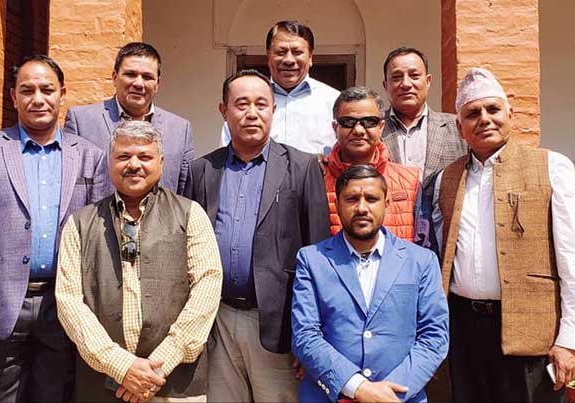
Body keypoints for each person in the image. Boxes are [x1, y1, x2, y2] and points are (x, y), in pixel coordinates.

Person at [431, 67, 575, 402]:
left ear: (510, 114)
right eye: (472, 114)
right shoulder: (446, 178)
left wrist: (571, 339)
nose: (484, 119)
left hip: (531, 329)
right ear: (460, 128)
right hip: (463, 331)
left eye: (493, 109)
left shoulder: (552, 167)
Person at [0, 55, 110, 402]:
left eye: (47, 90)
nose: (37, 99)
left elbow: (99, 238)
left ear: (62, 94)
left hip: (63, 303)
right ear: (13, 97)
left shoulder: (91, 156)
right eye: (27, 90)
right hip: (1, 301)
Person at [186, 69, 330, 402]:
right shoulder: (202, 170)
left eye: (261, 104)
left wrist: (311, 335)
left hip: (277, 323)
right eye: (241, 104)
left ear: (273, 110)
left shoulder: (302, 166)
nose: (252, 113)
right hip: (217, 321)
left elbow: (319, 253)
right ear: (223, 110)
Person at [55, 120, 222, 402]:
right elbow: (68, 301)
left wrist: (156, 368)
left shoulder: (190, 214)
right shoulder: (80, 224)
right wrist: (121, 367)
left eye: (144, 156)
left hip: (175, 383)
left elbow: (207, 287)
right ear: (110, 162)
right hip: (103, 382)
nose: (134, 164)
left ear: (161, 163)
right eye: (123, 156)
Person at [292, 165, 449, 403]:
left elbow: (435, 335)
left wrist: (389, 395)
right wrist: (357, 387)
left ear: (387, 204)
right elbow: (305, 335)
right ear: (337, 205)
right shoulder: (312, 260)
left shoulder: (421, 261)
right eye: (352, 199)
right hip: (331, 396)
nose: (362, 208)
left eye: (372, 199)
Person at [64, 42, 194, 194]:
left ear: (157, 84)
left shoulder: (180, 129)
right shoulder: (81, 122)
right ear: (114, 77)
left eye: (147, 77)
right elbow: (69, 185)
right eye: (130, 74)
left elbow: (185, 192)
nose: (138, 83)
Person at [220, 20, 340, 156]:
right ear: (268, 56)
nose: (289, 60)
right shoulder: (245, 105)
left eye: (297, 52)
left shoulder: (334, 101)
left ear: (310, 57)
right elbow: (227, 157)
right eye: (281, 52)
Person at [323, 86, 426, 243]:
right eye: (348, 122)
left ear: (381, 127)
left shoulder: (411, 181)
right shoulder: (316, 179)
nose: (358, 130)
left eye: (368, 122)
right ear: (335, 128)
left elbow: (424, 245)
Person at [381, 47, 467, 181]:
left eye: (414, 75)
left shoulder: (458, 127)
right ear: (386, 86)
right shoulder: (371, 128)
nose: (406, 84)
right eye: (397, 77)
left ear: (428, 81)